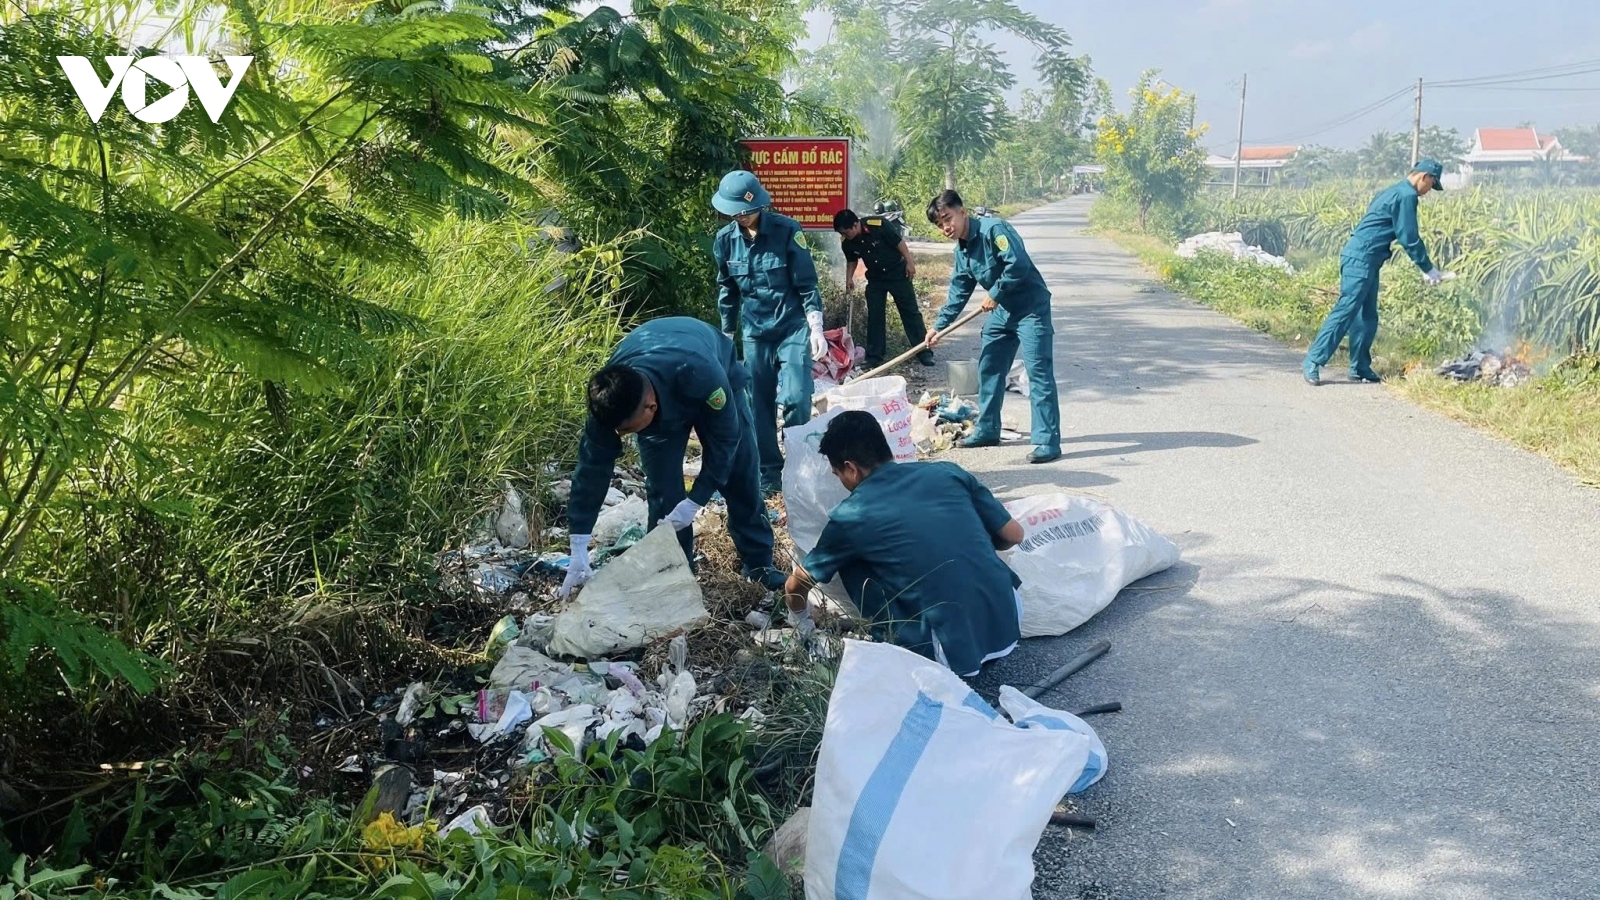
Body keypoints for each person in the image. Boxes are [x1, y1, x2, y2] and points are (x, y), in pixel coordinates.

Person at [781, 411, 1025, 678]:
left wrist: (801, 624)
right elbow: (1014, 535)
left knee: (852, 562)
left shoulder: (852, 515)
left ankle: (909, 649)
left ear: (851, 468)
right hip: (1007, 617)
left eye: (837, 472)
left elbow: (797, 583)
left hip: (945, 650)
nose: (840, 479)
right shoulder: (946, 472)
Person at [560, 317, 784, 599]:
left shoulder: (701, 374)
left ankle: (759, 563)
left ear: (651, 407)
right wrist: (578, 544)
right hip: (659, 378)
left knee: (741, 474)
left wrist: (696, 500)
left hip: (713, 372)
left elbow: (726, 442)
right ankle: (673, 578)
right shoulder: (610, 399)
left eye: (628, 431)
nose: (624, 435)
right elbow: (592, 468)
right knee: (665, 496)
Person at [924, 189, 1062, 464]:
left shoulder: (993, 230)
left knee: (1038, 373)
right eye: (939, 224)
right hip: (1003, 313)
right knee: (989, 368)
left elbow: (1018, 264)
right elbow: (957, 294)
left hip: (1030, 308)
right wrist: (938, 327)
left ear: (962, 211)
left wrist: (995, 293)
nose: (945, 228)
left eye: (947, 218)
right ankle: (987, 429)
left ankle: (1047, 441)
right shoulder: (963, 252)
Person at [713, 170, 828, 494]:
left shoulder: (787, 231)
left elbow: (807, 284)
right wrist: (725, 336)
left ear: (759, 205)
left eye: (747, 210)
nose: (743, 216)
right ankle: (769, 472)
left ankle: (799, 465)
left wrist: (815, 327)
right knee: (757, 405)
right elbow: (727, 290)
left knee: (795, 397)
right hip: (755, 332)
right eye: (737, 212)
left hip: (791, 328)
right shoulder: (725, 241)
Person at [1303, 158, 1453, 386]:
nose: (1429, 191)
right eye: (1432, 185)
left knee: (1367, 316)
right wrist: (1428, 268)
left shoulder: (1392, 191)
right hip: (1360, 258)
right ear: (1425, 177)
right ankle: (1313, 360)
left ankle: (1359, 366)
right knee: (1346, 310)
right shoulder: (1406, 196)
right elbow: (1409, 237)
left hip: (1367, 259)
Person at [833, 208, 934, 369]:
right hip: (876, 279)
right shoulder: (847, 242)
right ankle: (875, 356)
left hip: (898, 274)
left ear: (855, 225)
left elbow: (899, 243)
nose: (845, 236)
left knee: (910, 312)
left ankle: (923, 351)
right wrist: (849, 278)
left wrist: (910, 263)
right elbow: (852, 260)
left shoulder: (878, 225)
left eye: (846, 232)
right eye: (842, 234)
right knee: (875, 316)